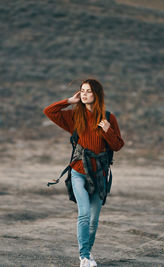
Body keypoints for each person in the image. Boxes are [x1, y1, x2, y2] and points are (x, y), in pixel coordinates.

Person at [43, 79, 124, 267]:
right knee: (84, 214)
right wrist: (69, 101)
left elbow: (118, 145)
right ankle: (84, 257)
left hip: (99, 175)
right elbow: (49, 111)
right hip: (78, 172)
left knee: (94, 221)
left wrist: (108, 131)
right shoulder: (74, 116)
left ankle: (87, 253)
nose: (84, 94)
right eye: (82, 91)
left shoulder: (108, 118)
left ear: (97, 94)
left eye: (88, 91)